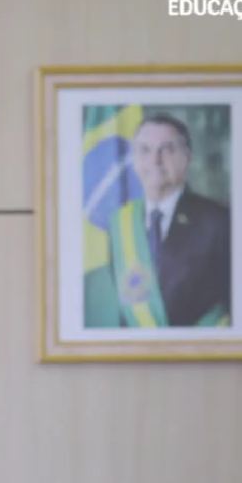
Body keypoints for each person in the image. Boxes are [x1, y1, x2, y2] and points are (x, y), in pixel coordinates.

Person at [84, 113, 231, 328]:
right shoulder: (119, 223)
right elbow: (127, 308)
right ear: (134, 160)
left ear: (187, 157)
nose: (155, 160)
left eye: (167, 149)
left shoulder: (218, 221)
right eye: (145, 150)